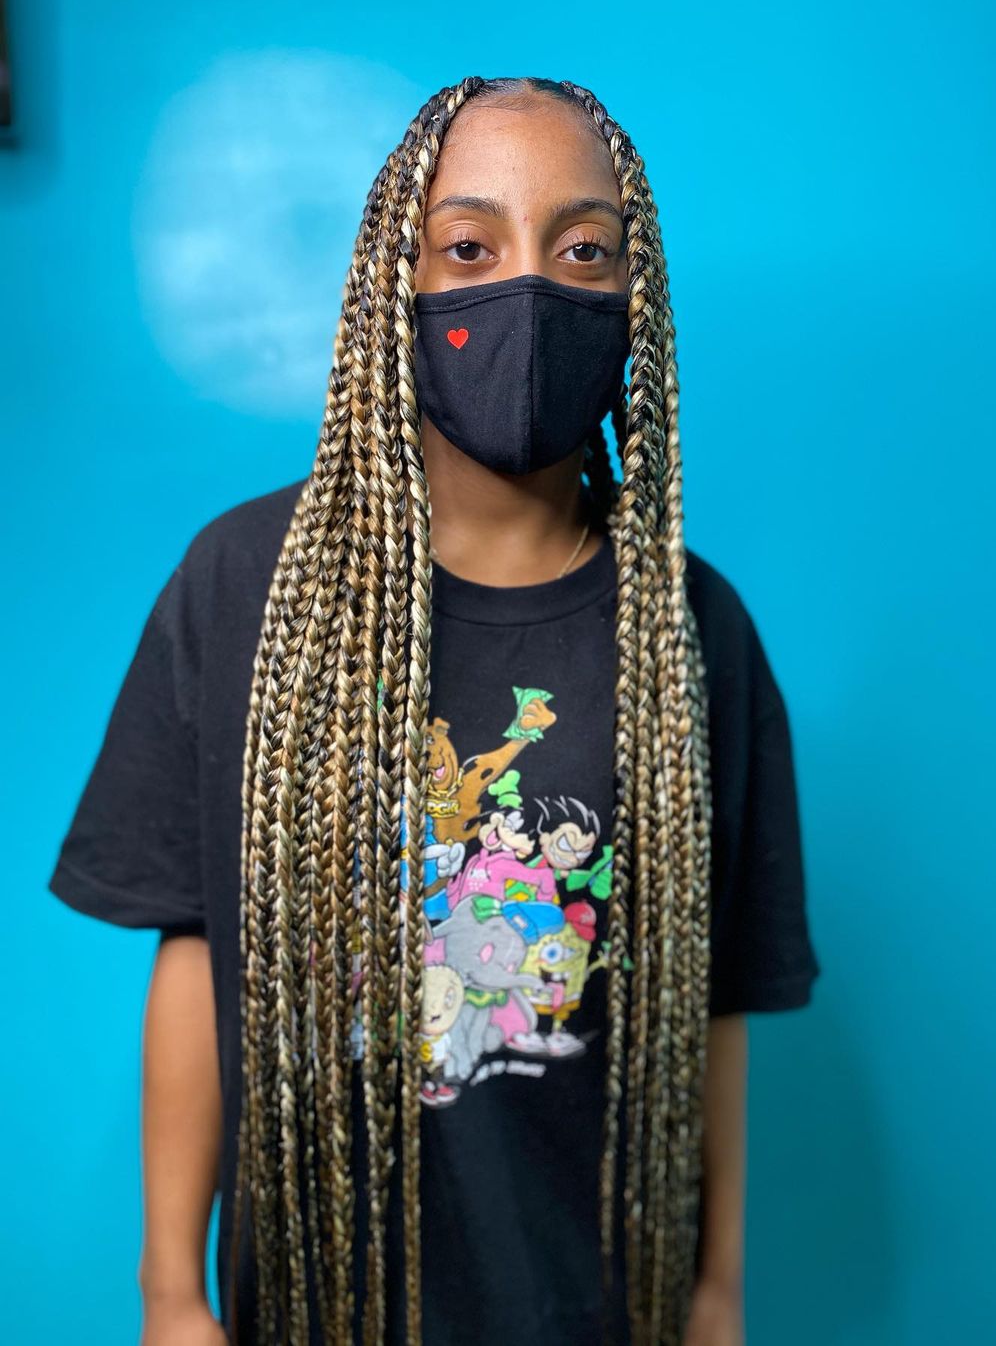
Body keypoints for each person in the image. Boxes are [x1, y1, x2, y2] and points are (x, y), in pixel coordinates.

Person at [47, 74, 822, 1346]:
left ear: (636, 300)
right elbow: (193, 945)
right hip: (318, 1312)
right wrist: (170, 1294)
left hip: (596, 1310)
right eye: (469, 247)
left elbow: (713, 999)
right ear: (390, 287)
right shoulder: (244, 586)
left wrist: (716, 1295)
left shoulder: (693, 629)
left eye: (583, 250)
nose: (529, 287)